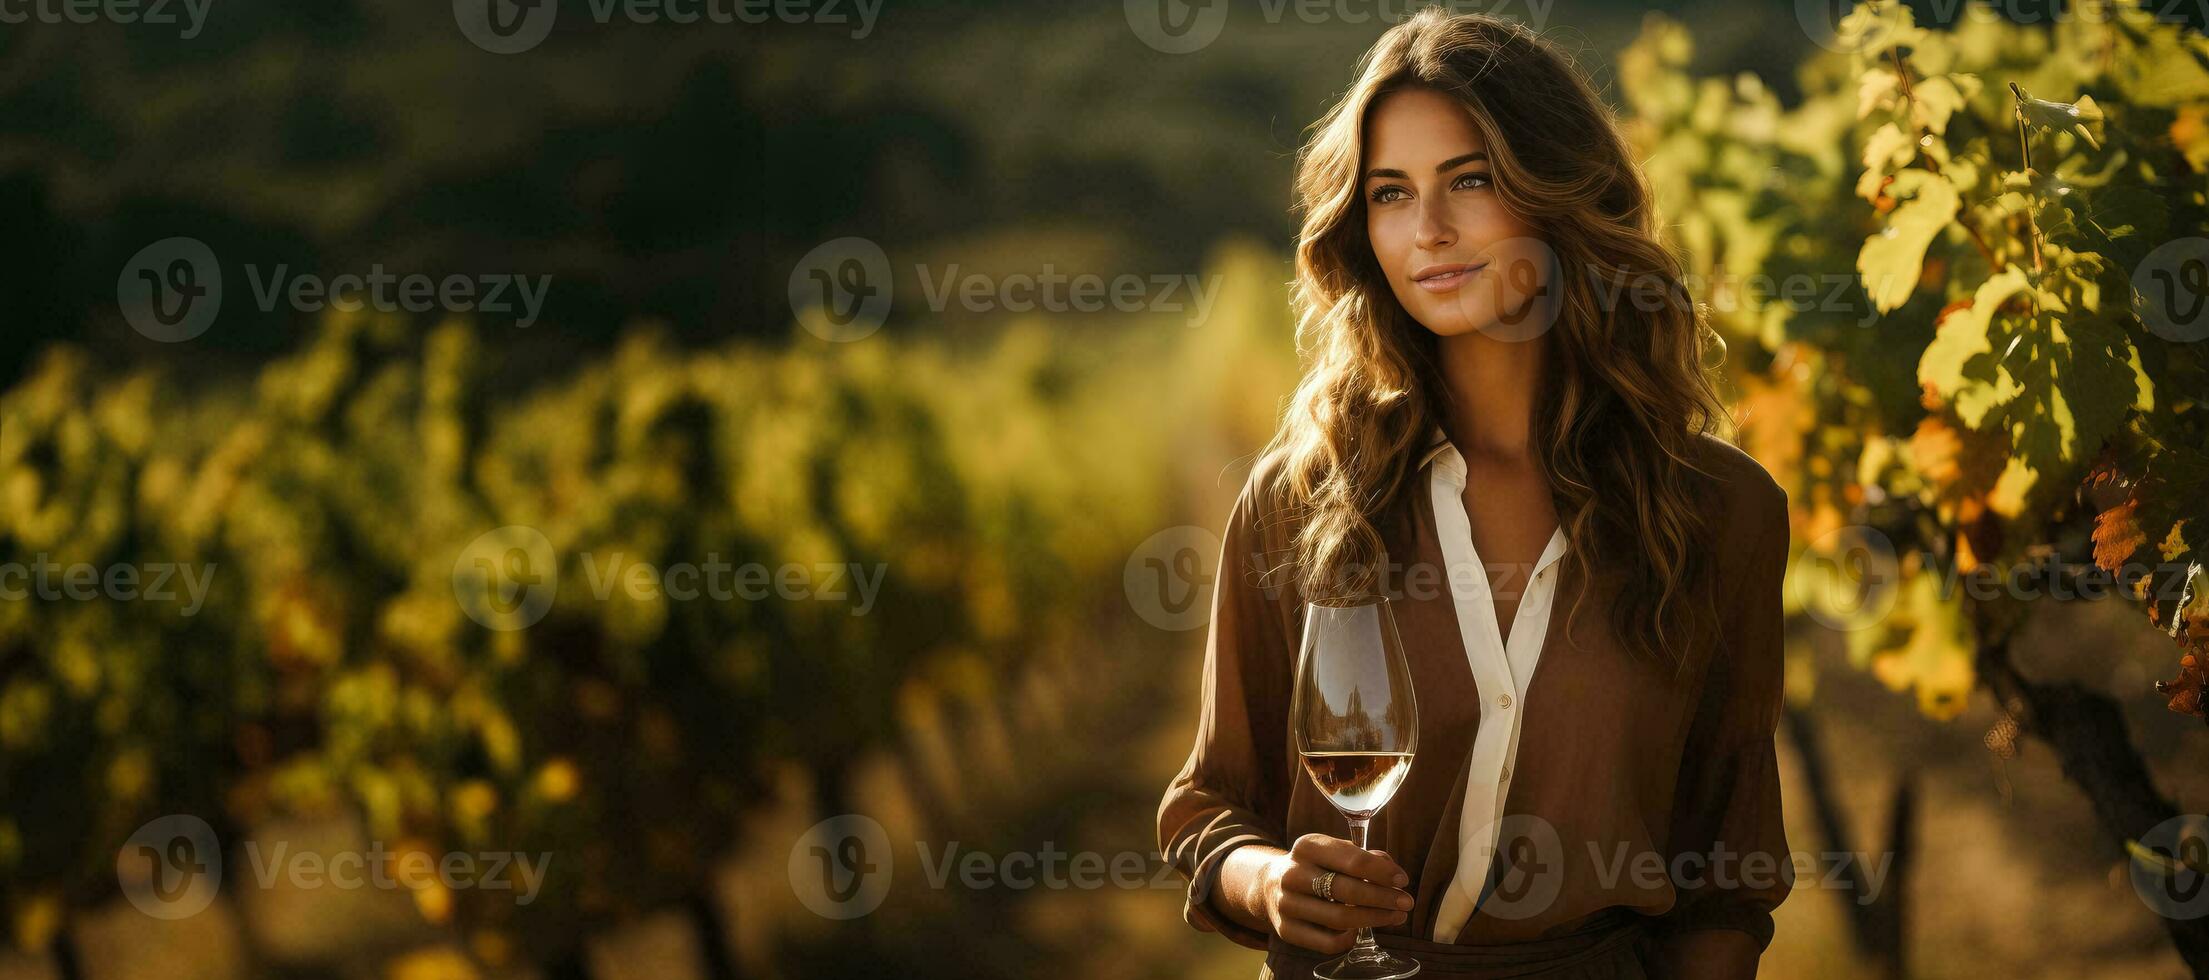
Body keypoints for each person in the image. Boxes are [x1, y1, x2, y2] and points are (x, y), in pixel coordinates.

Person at [1156, 9, 1794, 979]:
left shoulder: (1720, 512)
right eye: (1389, 193)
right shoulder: (1296, 499)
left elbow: (1727, 872)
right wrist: (1269, 881)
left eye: (1471, 179)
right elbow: (1210, 806)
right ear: (1359, 227)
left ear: (1556, 192)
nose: (1430, 231)